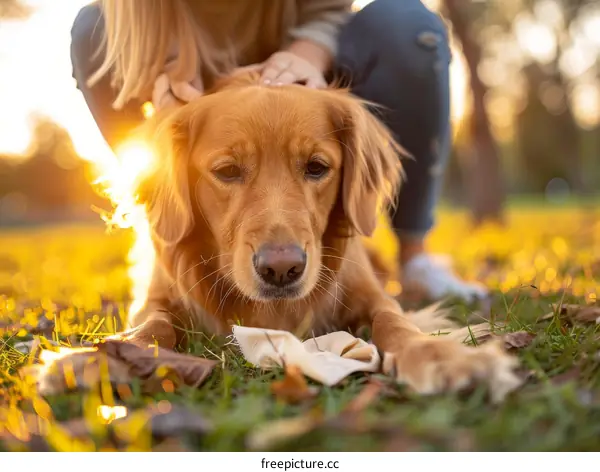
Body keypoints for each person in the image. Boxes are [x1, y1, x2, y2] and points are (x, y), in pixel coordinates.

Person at [70, 0, 487, 303]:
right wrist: (164, 90)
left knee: (406, 23)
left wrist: (307, 55)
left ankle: (416, 257)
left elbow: (331, 8)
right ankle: (170, 236)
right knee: (91, 29)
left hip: (309, 67)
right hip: (199, 95)